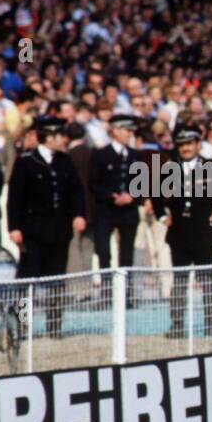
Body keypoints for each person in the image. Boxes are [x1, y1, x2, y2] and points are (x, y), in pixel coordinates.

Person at [6, 116, 87, 337]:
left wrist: (79, 214)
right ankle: (22, 325)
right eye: (61, 135)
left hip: (59, 231)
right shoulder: (26, 162)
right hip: (33, 232)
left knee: (56, 281)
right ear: (49, 137)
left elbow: (76, 191)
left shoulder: (65, 161)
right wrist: (14, 228)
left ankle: (54, 327)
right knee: (27, 280)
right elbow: (15, 198)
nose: (65, 140)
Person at [160, 124, 212, 339]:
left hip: (206, 234)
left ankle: (211, 325)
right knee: (179, 283)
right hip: (179, 236)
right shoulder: (169, 169)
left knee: (208, 283)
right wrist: (162, 216)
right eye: (181, 144)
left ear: (197, 144)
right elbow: (157, 198)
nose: (185, 148)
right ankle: (177, 324)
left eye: (189, 143)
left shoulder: (211, 167)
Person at [89, 113, 143, 304]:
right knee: (104, 251)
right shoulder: (101, 154)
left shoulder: (136, 155)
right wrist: (111, 196)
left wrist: (131, 196)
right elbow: (94, 183)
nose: (129, 134)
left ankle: (125, 294)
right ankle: (106, 292)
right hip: (107, 210)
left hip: (128, 211)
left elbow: (142, 184)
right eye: (126, 130)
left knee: (126, 254)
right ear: (115, 131)